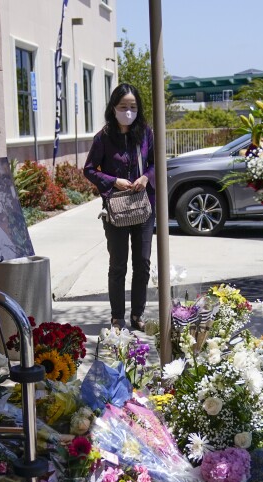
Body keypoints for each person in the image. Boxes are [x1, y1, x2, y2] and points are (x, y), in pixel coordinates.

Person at [83, 83, 155, 331]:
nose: (128, 111)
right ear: (113, 107)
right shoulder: (103, 137)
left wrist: (146, 178)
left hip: (143, 208)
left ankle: (138, 315)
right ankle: (117, 316)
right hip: (116, 209)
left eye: (133, 107)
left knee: (142, 263)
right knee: (118, 264)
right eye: (123, 106)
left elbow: (156, 164)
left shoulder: (145, 133)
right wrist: (114, 181)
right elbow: (89, 170)